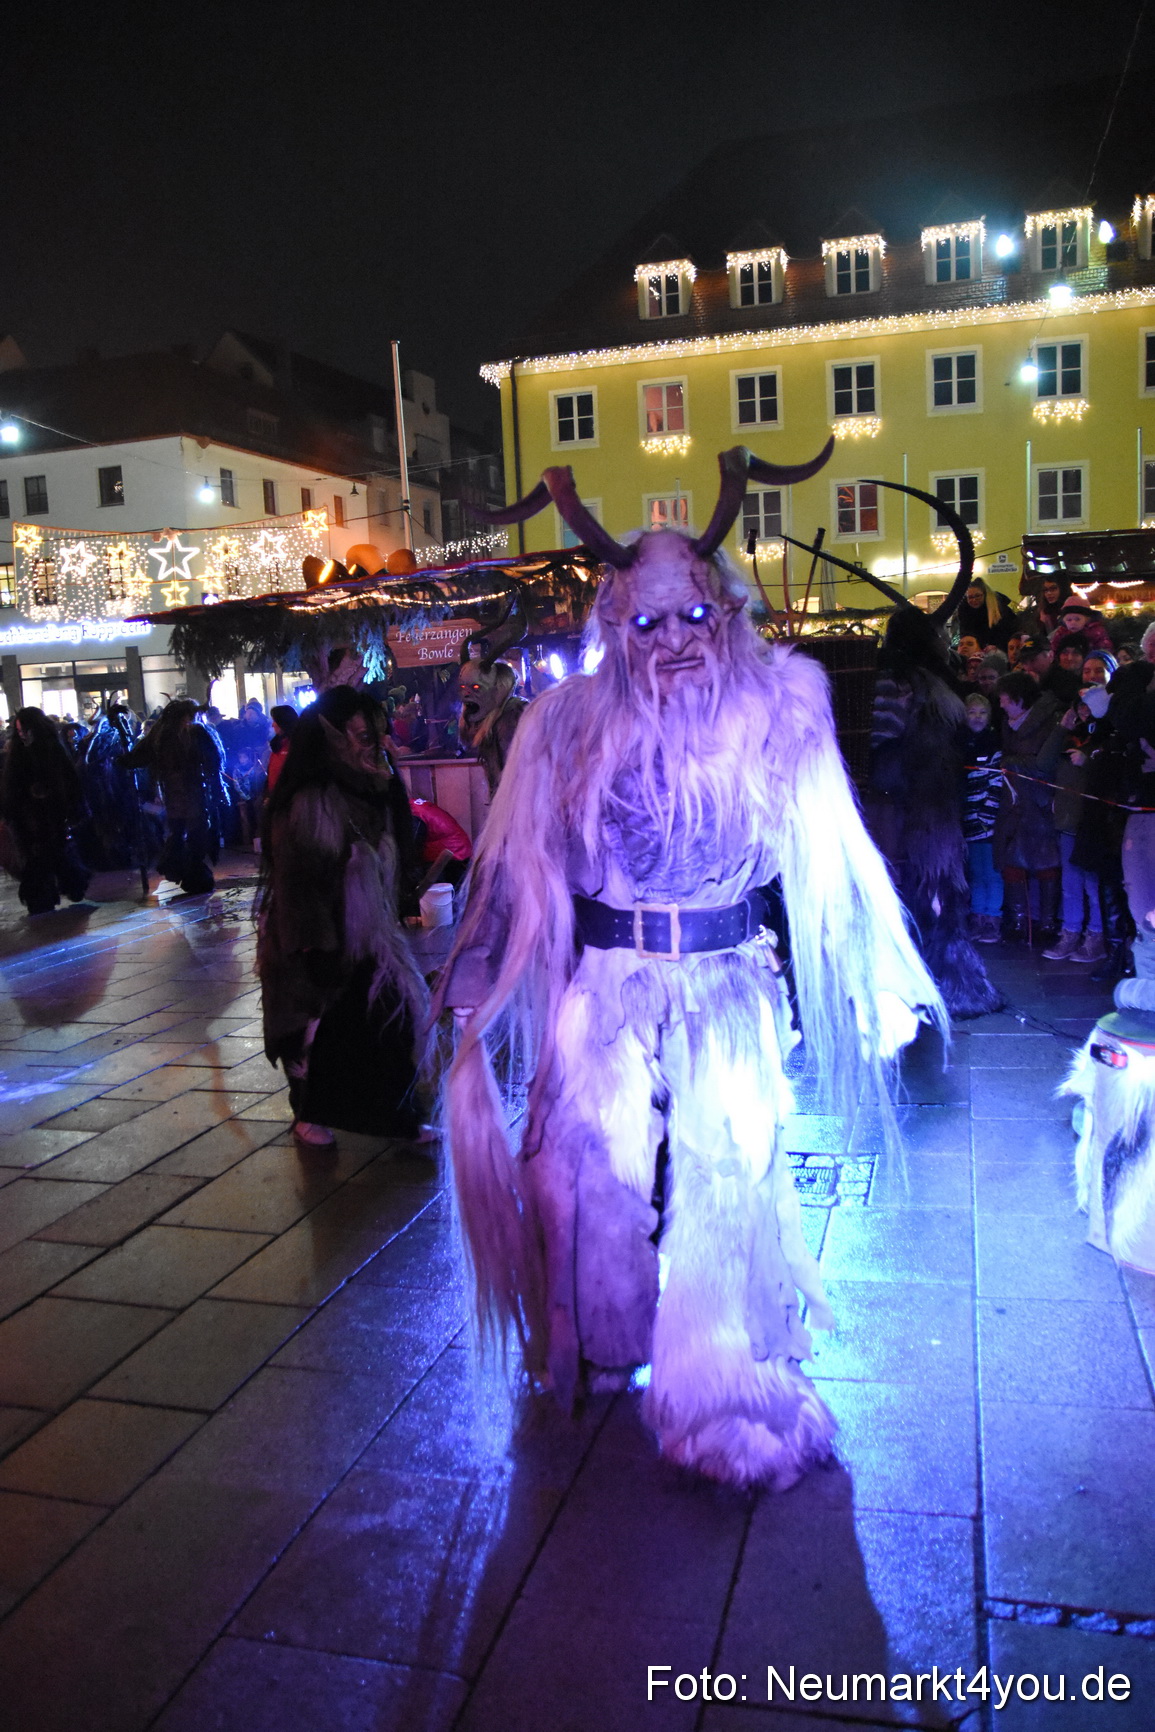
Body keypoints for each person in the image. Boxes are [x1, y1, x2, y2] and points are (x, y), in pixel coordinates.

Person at [442, 448, 945, 1490]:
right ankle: (599, 1339)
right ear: (614, 626)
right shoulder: (566, 723)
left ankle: (717, 1389)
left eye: (690, 618)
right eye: (646, 621)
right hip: (611, 990)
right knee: (586, 1175)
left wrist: (876, 977)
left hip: (727, 989)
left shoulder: (782, 708)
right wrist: (478, 968)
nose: (671, 642)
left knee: (729, 1176)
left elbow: (835, 852)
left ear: (723, 614)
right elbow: (515, 856)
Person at [257, 687, 428, 1149]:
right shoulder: (309, 802)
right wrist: (317, 949)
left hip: (369, 940)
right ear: (333, 739)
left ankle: (399, 1118)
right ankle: (310, 1114)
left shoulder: (370, 785)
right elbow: (297, 884)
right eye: (360, 735)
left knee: (392, 1023)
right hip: (318, 940)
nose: (372, 744)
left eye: (376, 733)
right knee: (317, 1034)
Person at [869, 606, 1003, 1014]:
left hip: (919, 801)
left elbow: (880, 738)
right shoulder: (912, 682)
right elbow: (885, 735)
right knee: (930, 887)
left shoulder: (907, 680)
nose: (945, 642)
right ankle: (934, 981)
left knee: (923, 887)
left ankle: (920, 982)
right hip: (914, 801)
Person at [127, 700, 230, 895]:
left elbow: (213, 764)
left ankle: (193, 874)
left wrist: (215, 790)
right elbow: (138, 757)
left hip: (193, 793)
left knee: (194, 834)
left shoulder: (197, 733)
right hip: (178, 795)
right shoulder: (163, 736)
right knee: (182, 834)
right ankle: (187, 872)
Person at [993, 671, 1063, 943]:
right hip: (1014, 803)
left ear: (1020, 699)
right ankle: (1018, 921)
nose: (1001, 705)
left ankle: (1047, 923)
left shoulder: (1049, 721)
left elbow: (1046, 764)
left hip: (1040, 803)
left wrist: (1012, 761)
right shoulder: (1007, 724)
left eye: (1005, 699)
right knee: (1012, 861)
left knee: (1047, 862)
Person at [0, 708, 91, 915]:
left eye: (24, 729)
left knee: (55, 850)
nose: (22, 734)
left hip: (51, 813)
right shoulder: (18, 752)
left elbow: (67, 779)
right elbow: (12, 784)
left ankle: (68, 884)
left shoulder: (51, 749)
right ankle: (43, 895)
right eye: (19, 730)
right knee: (37, 857)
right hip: (28, 815)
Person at [1044, 693, 1106, 963]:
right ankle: (1070, 933)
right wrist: (1062, 728)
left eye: (1089, 705)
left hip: (1093, 822)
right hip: (1068, 820)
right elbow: (1043, 763)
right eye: (1079, 704)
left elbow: (1113, 771)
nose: (1083, 710)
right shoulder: (1068, 736)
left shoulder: (1106, 734)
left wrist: (1088, 761)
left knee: (1093, 885)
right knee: (1070, 883)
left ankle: (1096, 936)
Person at [962, 694, 1003, 942]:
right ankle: (977, 917)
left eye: (982, 713)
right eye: (972, 712)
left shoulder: (993, 744)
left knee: (992, 873)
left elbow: (996, 783)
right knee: (977, 873)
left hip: (986, 820)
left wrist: (987, 815)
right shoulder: (961, 744)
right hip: (967, 819)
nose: (976, 718)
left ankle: (992, 919)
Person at [410, 795, 472, 886]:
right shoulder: (414, 806)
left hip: (449, 856)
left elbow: (412, 848)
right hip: (459, 850)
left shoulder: (413, 814)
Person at [952, 577, 1017, 650]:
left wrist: (997, 647)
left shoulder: (1000, 608)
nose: (974, 600)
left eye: (977, 596)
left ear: (985, 595)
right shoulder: (964, 611)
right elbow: (965, 633)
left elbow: (1007, 632)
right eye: (970, 597)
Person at [263, 704, 298, 800]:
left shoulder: (296, 745)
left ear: (284, 722)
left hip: (289, 800)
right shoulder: (277, 745)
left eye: (275, 721)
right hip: (275, 798)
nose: (272, 725)